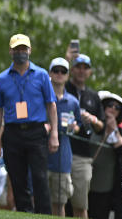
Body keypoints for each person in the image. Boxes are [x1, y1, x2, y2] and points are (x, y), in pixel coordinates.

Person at [0, 33, 58, 214]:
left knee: (40, 178)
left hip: (36, 132)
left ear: (30, 50)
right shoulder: (1, 79)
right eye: (17, 49)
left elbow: (51, 105)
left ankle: (44, 214)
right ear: (11, 51)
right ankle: (24, 213)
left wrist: (54, 134)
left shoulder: (42, 75)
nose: (21, 52)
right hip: (12, 133)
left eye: (24, 49)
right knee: (17, 180)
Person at [66, 53, 104, 219]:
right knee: (56, 202)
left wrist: (93, 119)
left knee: (81, 205)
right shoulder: (62, 87)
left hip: (82, 156)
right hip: (59, 150)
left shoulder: (93, 96)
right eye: (78, 67)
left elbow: (101, 128)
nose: (81, 71)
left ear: (90, 72)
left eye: (85, 68)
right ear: (72, 69)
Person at [88, 91, 122, 219]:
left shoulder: (121, 133)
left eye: (117, 108)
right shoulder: (92, 125)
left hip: (106, 186)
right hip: (87, 180)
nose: (112, 109)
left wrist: (113, 130)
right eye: (110, 105)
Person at [47, 57, 79, 216]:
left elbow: (78, 126)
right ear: (50, 73)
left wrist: (75, 127)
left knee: (59, 204)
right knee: (38, 199)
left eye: (63, 71)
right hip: (42, 156)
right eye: (56, 70)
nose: (59, 74)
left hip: (63, 159)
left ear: (67, 75)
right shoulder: (42, 98)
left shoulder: (73, 102)